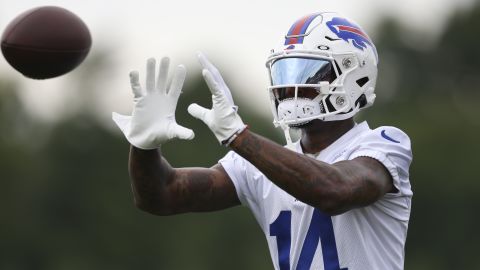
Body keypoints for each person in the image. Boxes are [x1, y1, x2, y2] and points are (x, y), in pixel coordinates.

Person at [112, 12, 413, 270]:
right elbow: (162, 195)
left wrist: (237, 136)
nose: (288, 85)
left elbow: (335, 190)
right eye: (285, 70)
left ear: (352, 78)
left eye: (306, 72)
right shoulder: (264, 163)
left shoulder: (384, 145)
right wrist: (143, 147)